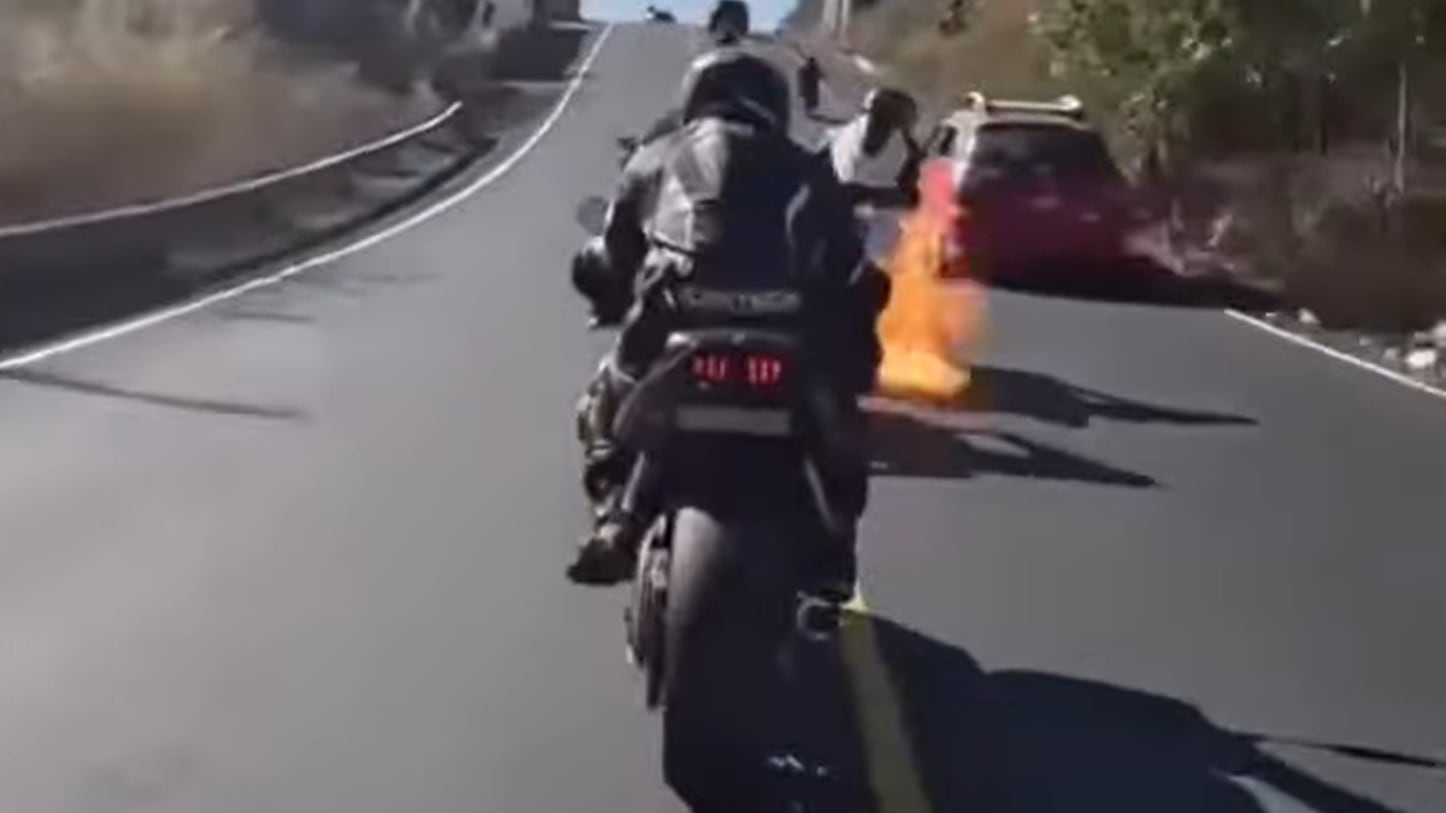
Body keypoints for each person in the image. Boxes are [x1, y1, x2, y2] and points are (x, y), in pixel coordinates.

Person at [568, 49, 890, 601]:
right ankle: (837, 552)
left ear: (695, 98)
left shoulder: (655, 157)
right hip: (788, 326)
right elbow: (849, 266)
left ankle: (613, 522)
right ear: (775, 105)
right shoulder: (807, 168)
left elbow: (615, 256)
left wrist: (611, 294)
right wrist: (850, 340)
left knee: (605, 398)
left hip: (675, 317)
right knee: (840, 424)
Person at [632, 0, 754, 147]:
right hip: (753, 132)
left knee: (671, 122)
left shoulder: (706, 64)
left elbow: (682, 112)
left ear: (717, 25)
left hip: (705, 127)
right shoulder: (762, 67)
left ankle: (640, 147)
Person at [823, 87, 924, 210]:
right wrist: (913, 162)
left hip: (832, 166)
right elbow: (898, 183)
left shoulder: (864, 122)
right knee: (910, 197)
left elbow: (876, 98)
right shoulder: (870, 143)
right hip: (839, 187)